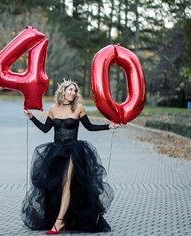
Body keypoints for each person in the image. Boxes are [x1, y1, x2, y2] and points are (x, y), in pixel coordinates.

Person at [21, 80, 120, 234]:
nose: (73, 93)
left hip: (74, 151)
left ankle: (59, 222)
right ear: (63, 91)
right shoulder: (53, 109)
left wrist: (109, 126)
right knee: (57, 185)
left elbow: (90, 127)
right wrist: (31, 117)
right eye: (70, 90)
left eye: (75, 90)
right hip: (56, 152)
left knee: (67, 184)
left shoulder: (79, 108)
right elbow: (46, 129)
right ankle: (63, 217)